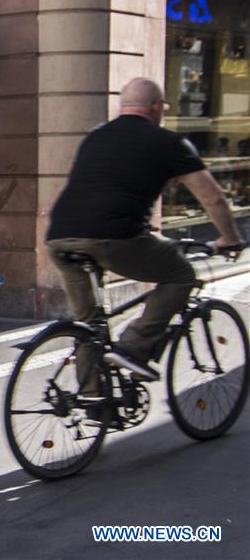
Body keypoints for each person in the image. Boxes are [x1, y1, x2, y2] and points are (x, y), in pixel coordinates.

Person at [47, 77, 245, 384]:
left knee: (89, 325)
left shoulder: (95, 137)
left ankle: (92, 396)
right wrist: (230, 238)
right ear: (155, 106)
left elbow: (102, 188)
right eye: (163, 105)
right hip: (112, 237)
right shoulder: (169, 142)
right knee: (181, 275)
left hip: (60, 237)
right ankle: (133, 347)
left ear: (123, 106)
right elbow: (213, 198)